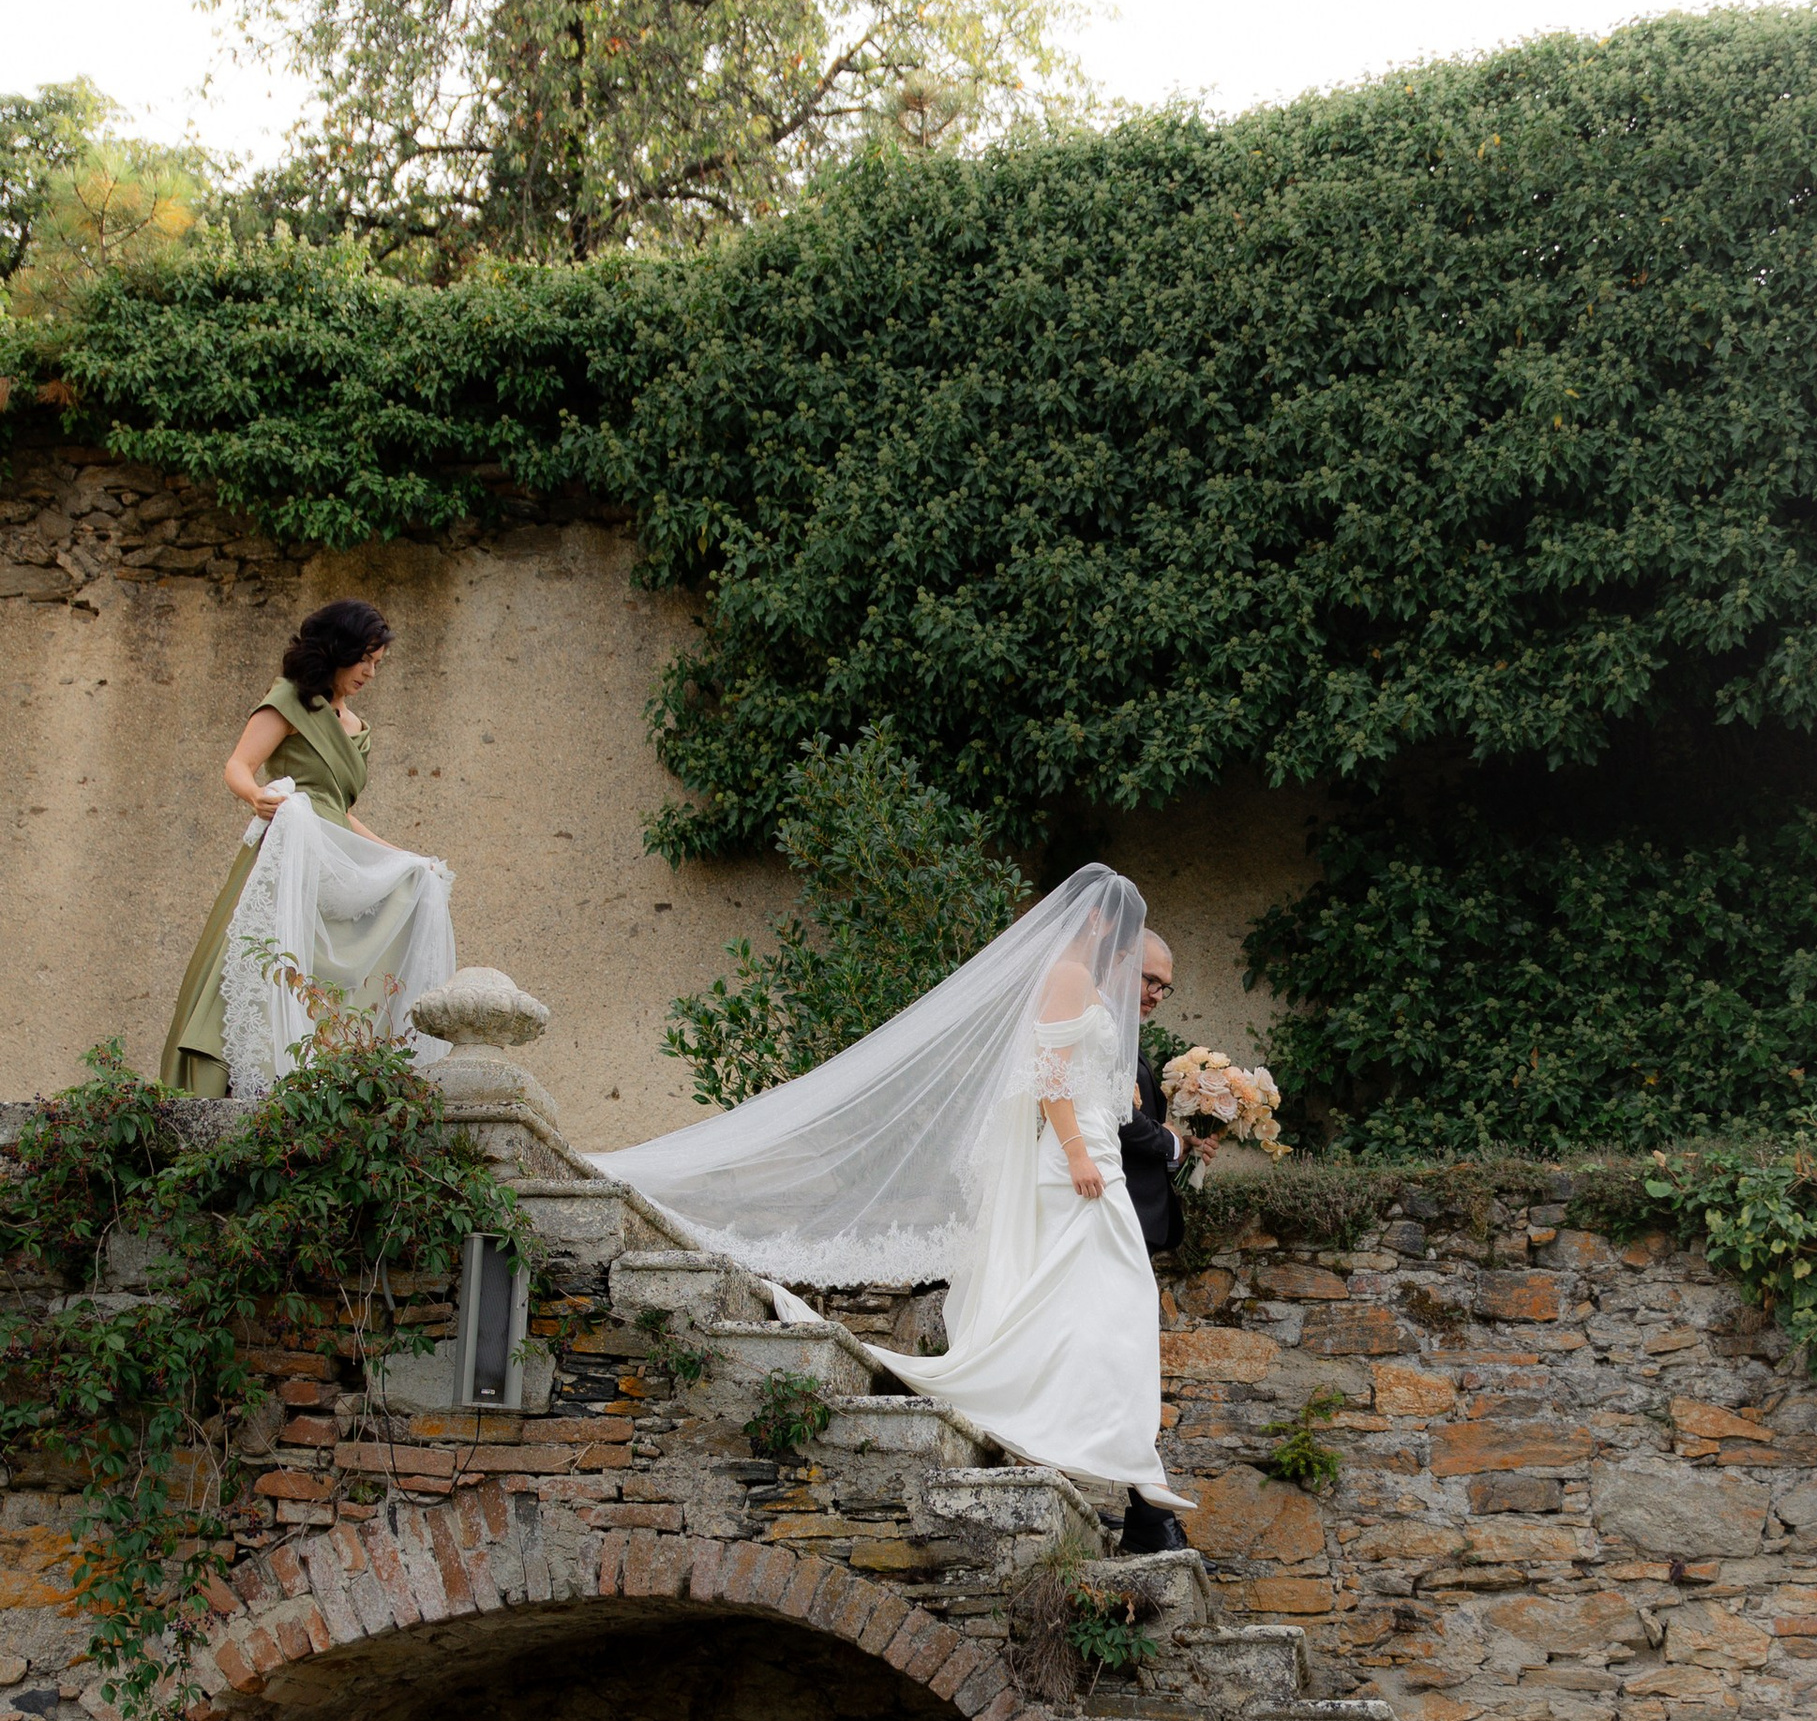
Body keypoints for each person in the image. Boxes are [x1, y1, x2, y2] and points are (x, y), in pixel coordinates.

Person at [591, 863, 1188, 1544]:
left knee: (1102, 1302)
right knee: (1112, 1299)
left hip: (1094, 1159)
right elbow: (1047, 1074)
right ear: (1099, 918)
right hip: (1077, 1163)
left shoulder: (1088, 985)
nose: (1128, 947)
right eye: (1126, 930)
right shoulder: (1070, 976)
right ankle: (1134, 1473)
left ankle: (1131, 1468)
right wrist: (1079, 1151)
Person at [157, 599, 456, 1101]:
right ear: (338, 649)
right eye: (365, 658)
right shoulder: (290, 701)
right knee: (259, 962)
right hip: (288, 851)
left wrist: (402, 857)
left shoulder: (357, 728)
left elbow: (340, 811)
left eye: (377, 663)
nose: (370, 672)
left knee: (332, 970)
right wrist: (259, 798)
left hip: (332, 858)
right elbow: (238, 765)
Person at [1115, 929, 1189, 1554]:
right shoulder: (1102, 1030)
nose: (1158, 994)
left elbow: (1143, 1128)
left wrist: (1181, 1143)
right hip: (1099, 1217)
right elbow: (1120, 1123)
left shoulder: (1123, 1035)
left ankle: (1147, 1508)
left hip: (1121, 1220)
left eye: (1165, 986)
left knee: (1127, 1355)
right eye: (1150, 980)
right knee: (1124, 1354)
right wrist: (1171, 1143)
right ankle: (1146, 1508)